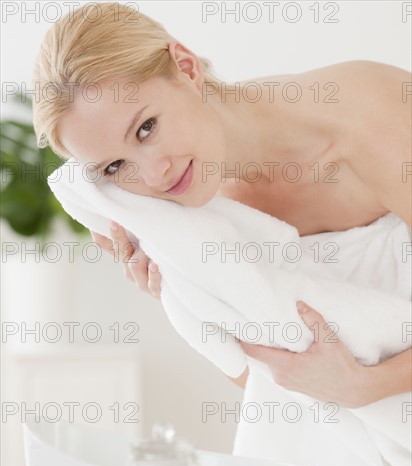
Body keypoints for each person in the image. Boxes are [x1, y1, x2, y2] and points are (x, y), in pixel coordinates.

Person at [32, 2, 411, 407]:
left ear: (186, 67)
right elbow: (267, 385)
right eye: (115, 166)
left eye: (146, 128)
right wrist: (178, 297)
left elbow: (340, 388)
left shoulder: (373, 118)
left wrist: (365, 386)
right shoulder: (194, 218)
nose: (154, 176)